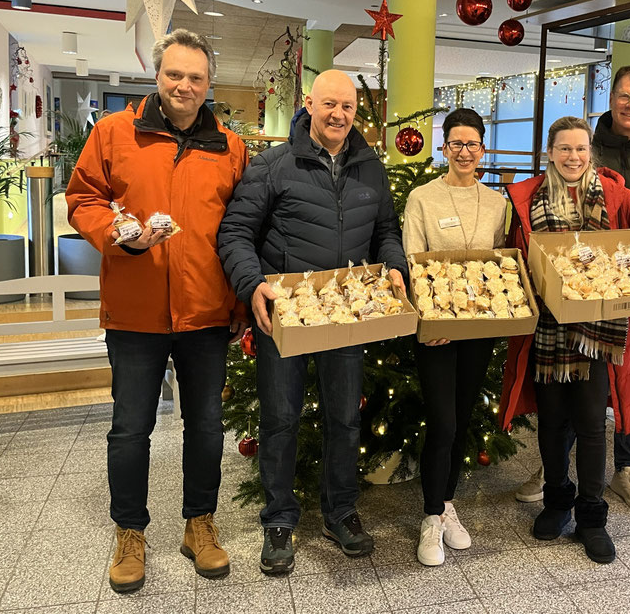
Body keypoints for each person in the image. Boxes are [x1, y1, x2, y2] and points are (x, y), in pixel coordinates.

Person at [67, 29, 248, 593]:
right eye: (175, 74)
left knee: (208, 426)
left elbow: (242, 229)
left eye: (196, 77)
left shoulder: (230, 146)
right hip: (136, 311)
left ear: (209, 83)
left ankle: (200, 523)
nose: (184, 86)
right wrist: (118, 236)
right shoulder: (114, 132)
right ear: (157, 75)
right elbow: (82, 199)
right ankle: (130, 532)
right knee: (129, 429)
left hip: (206, 312)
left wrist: (241, 301)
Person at [217, 69, 408, 576]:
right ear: (309, 103)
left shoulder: (371, 168)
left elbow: (387, 230)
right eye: (329, 104)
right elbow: (235, 232)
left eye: (347, 106)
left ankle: (340, 512)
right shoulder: (274, 165)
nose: (339, 114)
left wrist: (393, 265)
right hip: (286, 315)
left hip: (347, 314)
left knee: (345, 420)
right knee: (280, 419)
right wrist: (252, 283)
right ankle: (279, 520)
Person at [499, 116, 630, 564]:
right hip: (548, 330)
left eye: (581, 149)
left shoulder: (614, 193)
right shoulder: (525, 199)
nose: (574, 157)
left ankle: (591, 516)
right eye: (565, 149)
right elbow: (508, 255)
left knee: (592, 424)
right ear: (549, 152)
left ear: (591, 152)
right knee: (552, 423)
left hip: (599, 333)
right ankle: (557, 501)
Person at [402, 108, 508, 566]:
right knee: (442, 420)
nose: (465, 152)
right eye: (456, 144)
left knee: (463, 418)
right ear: (443, 148)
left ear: (483, 148)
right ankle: (429, 516)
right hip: (437, 330)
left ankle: (447, 505)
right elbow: (411, 261)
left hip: (479, 327)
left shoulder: (497, 202)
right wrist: (434, 321)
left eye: (473, 144)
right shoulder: (422, 198)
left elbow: (501, 264)